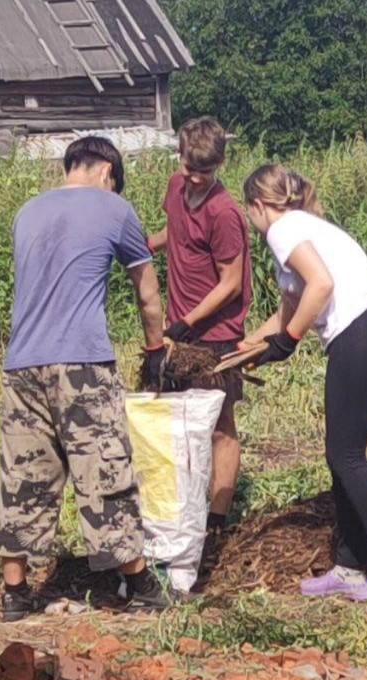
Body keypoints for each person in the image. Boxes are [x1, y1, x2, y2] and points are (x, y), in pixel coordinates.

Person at [0, 136, 172, 621]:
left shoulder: (27, 211)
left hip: (21, 363)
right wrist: (154, 349)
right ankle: (138, 582)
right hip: (83, 364)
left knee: (24, 472)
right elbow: (147, 290)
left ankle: (15, 592)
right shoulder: (115, 208)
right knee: (103, 467)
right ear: (107, 172)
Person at [240, 163, 367, 601]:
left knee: (346, 455)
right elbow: (287, 311)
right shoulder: (306, 228)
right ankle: (351, 565)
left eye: (249, 211)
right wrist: (243, 350)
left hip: (363, 334)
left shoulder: (283, 229)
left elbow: (321, 285)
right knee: (341, 455)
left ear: (259, 205)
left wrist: (289, 342)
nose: (250, 220)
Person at [146, 117, 251, 534]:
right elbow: (174, 232)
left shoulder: (225, 213)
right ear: (180, 155)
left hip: (215, 335)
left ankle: (217, 518)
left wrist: (184, 322)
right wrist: (143, 246)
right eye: (190, 168)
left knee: (218, 426)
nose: (194, 178)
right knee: (179, 423)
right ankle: (183, 505)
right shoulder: (176, 186)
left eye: (204, 172)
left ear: (219, 165)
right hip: (179, 327)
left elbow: (230, 284)